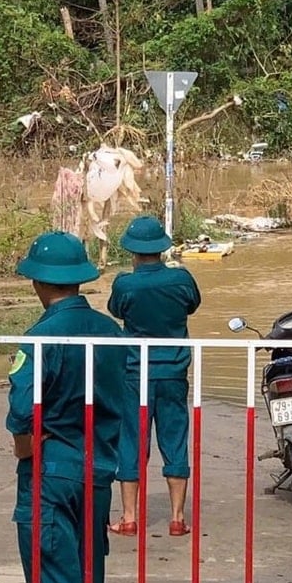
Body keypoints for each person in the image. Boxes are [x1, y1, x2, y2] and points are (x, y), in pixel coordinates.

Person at [5, 231, 130, 583]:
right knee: (86, 579)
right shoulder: (110, 332)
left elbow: (22, 413)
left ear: (37, 281)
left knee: (54, 579)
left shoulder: (40, 338)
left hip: (49, 472)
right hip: (96, 469)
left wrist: (24, 451)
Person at [105, 216, 204, 538]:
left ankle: (130, 517)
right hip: (173, 371)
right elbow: (193, 306)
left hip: (135, 372)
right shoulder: (181, 279)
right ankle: (177, 518)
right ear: (162, 249)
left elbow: (117, 312)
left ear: (132, 252)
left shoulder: (124, 283)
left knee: (132, 441)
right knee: (174, 439)